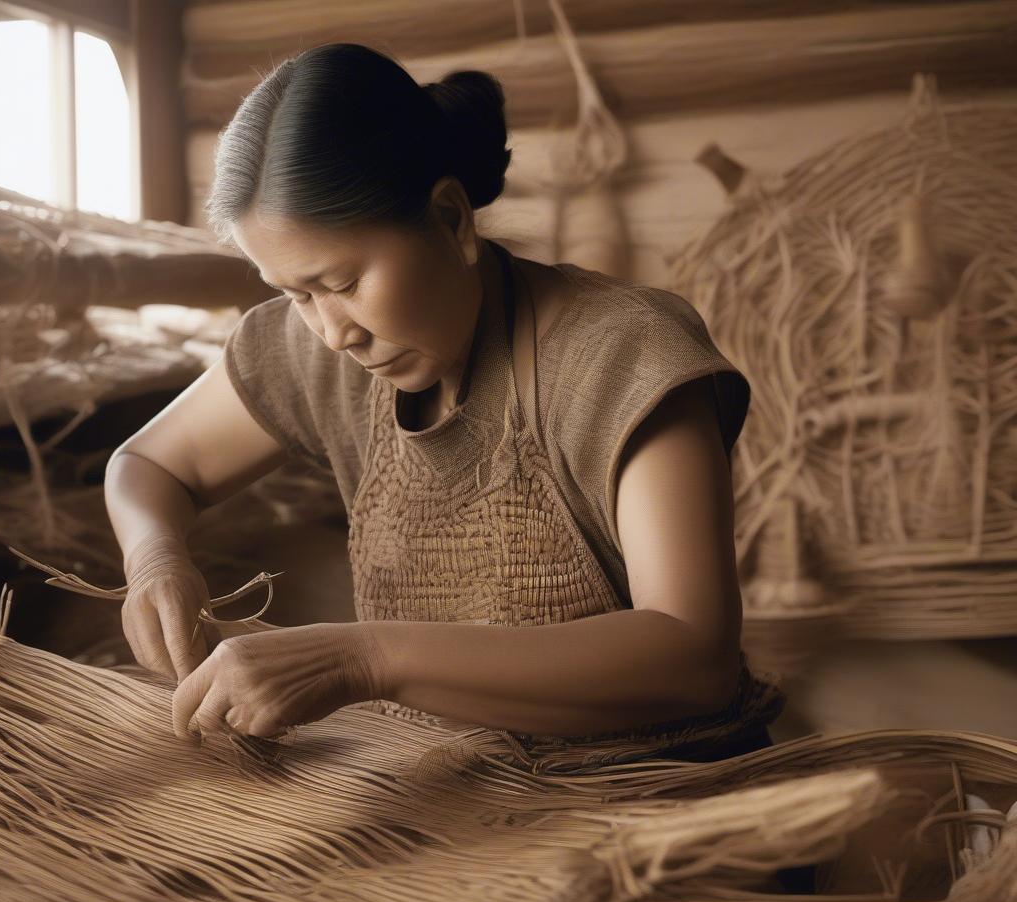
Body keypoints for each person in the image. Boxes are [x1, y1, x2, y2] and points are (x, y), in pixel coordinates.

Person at [103, 42, 794, 796]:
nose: (333, 331)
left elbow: (691, 655)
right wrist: (154, 562)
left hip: (667, 809)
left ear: (451, 219)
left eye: (342, 281)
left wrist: (362, 659)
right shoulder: (319, 350)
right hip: (462, 803)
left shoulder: (621, 352)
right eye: (296, 293)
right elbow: (147, 467)